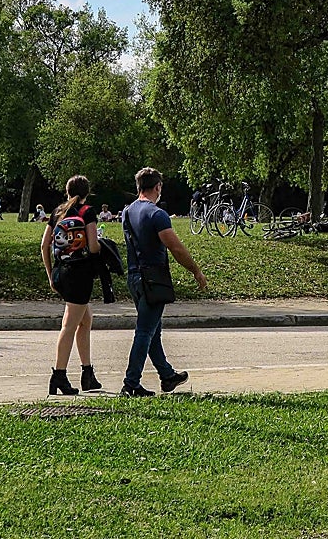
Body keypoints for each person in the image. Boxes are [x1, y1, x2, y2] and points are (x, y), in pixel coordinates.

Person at [121, 167, 208, 397]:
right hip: (153, 279)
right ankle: (131, 383)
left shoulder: (127, 212)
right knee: (145, 331)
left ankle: (167, 375)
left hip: (134, 276)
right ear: (158, 187)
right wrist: (196, 271)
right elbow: (175, 247)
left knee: (152, 331)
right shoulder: (156, 214)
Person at [40, 175, 104, 396]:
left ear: (67, 191)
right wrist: (102, 247)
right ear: (87, 192)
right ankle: (59, 375)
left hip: (62, 271)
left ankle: (88, 373)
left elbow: (44, 245)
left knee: (85, 320)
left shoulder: (58, 212)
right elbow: (93, 247)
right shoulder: (87, 212)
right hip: (80, 274)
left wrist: (51, 275)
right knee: (69, 326)